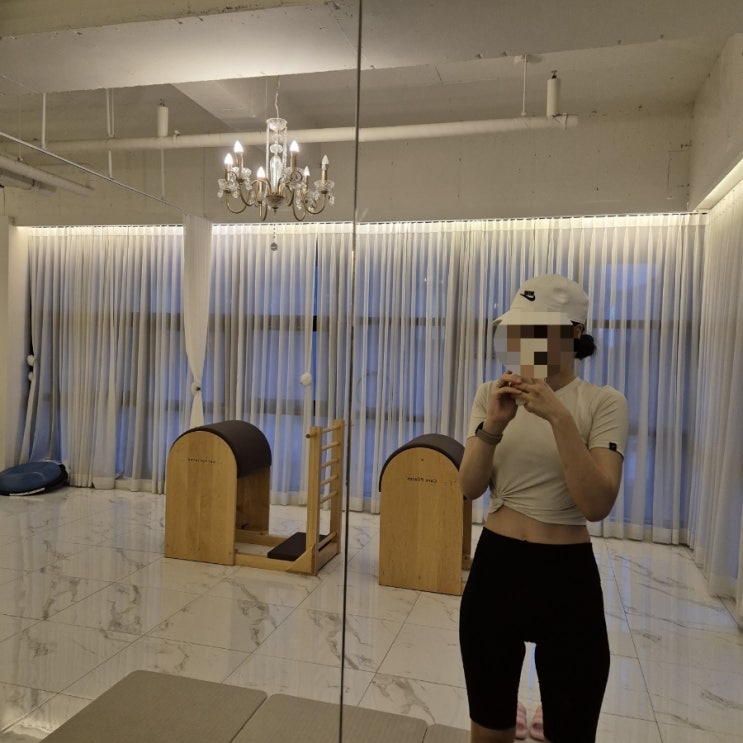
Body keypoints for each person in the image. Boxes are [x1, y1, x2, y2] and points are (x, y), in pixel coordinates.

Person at [458, 274, 628, 743]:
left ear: (574, 333)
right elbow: (469, 487)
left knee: (571, 730)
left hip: (566, 578)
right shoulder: (491, 393)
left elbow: (596, 503)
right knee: (488, 729)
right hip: (495, 572)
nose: (524, 341)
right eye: (519, 329)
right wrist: (493, 426)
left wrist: (557, 415)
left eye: (539, 329)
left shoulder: (603, 402)